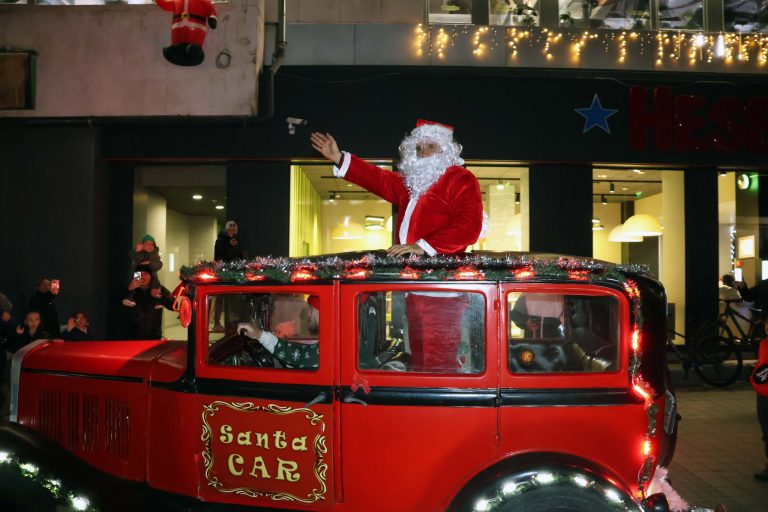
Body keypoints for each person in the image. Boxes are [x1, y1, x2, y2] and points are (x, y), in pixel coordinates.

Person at [311, 120, 483, 372]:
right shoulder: (413, 183)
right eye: (419, 148)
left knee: (438, 364)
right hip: (414, 289)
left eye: (430, 147)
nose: (423, 153)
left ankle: (435, 408)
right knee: (420, 360)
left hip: (441, 290)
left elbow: (470, 226)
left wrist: (423, 246)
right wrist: (339, 158)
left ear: (445, 150)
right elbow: (378, 179)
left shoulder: (460, 179)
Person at [237, 298, 319, 368]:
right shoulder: (328, 341)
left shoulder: (328, 345)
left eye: (311, 309)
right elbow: (302, 353)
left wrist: (260, 335)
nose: (308, 314)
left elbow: (299, 356)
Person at [126, 263, 175, 340]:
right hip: (133, 336)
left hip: (154, 336)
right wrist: (128, 290)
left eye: (145, 274)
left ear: (151, 276)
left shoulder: (158, 288)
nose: (142, 277)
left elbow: (174, 305)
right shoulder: (130, 288)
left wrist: (159, 296)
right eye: (139, 274)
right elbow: (116, 306)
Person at [211, 220, 245, 332]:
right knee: (219, 298)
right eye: (229, 229)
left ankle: (233, 323)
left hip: (234, 274)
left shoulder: (238, 241)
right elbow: (219, 255)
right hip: (222, 273)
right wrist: (230, 246)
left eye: (233, 230)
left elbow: (240, 257)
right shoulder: (220, 241)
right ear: (226, 230)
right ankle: (216, 323)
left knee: (233, 299)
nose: (231, 231)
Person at [124, 234, 163, 307]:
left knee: (155, 286)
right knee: (136, 284)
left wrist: (149, 263)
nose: (149, 246)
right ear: (142, 245)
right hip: (138, 272)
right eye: (147, 244)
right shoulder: (140, 253)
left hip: (152, 274)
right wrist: (137, 251)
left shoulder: (155, 255)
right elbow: (133, 257)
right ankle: (130, 298)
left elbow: (159, 265)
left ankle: (158, 302)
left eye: (152, 244)